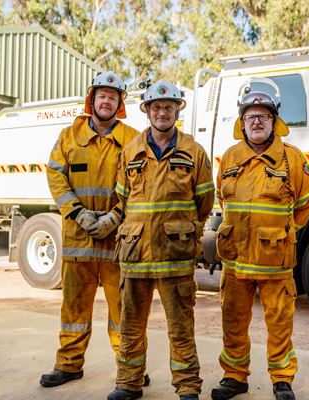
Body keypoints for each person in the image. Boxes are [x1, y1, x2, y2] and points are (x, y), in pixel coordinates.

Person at [106, 80, 215, 400]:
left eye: (169, 107)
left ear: (178, 110)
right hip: (136, 252)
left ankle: (187, 387)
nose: (162, 112)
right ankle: (128, 383)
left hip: (175, 253)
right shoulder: (131, 151)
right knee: (130, 326)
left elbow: (204, 201)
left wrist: (185, 229)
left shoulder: (194, 151)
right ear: (147, 111)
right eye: (156, 107)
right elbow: (122, 199)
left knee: (181, 327)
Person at [210, 79, 309, 400]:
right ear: (242, 122)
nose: (256, 121)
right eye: (250, 116)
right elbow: (223, 200)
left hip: (275, 262)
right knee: (233, 320)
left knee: (280, 322)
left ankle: (282, 379)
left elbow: (306, 205)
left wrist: (279, 232)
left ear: (274, 122)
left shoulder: (293, 160)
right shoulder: (228, 158)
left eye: (263, 116)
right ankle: (234, 376)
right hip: (236, 261)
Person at [41, 71, 140, 388]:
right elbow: (56, 177)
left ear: (119, 103)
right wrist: (77, 213)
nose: (107, 101)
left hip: (117, 241)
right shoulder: (69, 136)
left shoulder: (133, 139)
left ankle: (129, 370)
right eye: (102, 95)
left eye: (113, 96)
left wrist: (116, 216)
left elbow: (140, 184)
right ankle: (68, 365)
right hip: (78, 239)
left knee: (123, 312)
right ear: (92, 100)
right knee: (74, 308)